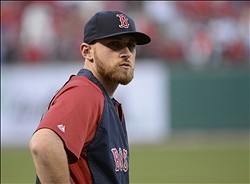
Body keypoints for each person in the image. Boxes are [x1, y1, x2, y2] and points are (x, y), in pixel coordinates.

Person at [29, 10, 151, 184]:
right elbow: (43, 144)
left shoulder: (105, 100)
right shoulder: (85, 92)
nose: (126, 53)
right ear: (87, 52)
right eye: (115, 44)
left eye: (131, 45)